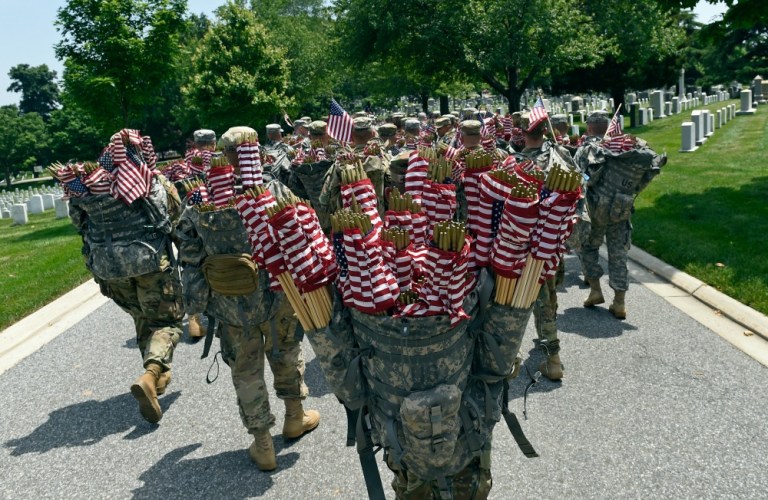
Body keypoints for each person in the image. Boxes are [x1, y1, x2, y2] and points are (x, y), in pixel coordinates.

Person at [177, 126, 320, 470]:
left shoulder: (203, 197)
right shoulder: (270, 189)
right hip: (276, 294)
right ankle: (294, 416)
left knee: (246, 370)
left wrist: (196, 299)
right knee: (285, 351)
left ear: (223, 154)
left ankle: (263, 442)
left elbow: (186, 242)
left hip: (230, 303)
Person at [69, 129, 184, 423]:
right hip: (148, 263)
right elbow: (172, 215)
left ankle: (157, 380)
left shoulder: (90, 187)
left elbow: (78, 223)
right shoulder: (148, 181)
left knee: (142, 317)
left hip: (109, 269)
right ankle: (152, 373)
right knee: (166, 321)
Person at [576, 113, 665, 319]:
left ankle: (595, 290)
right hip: (620, 210)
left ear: (589, 128)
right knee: (618, 254)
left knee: (589, 247)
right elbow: (640, 184)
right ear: (608, 127)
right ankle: (619, 303)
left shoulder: (587, 150)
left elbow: (580, 179)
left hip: (595, 210)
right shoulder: (628, 150)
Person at [513, 113, 579, 380]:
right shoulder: (560, 158)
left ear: (521, 133)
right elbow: (577, 186)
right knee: (547, 301)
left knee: (515, 305)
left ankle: (524, 360)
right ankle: (552, 358)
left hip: (520, 245)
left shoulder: (515, 164)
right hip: (550, 241)